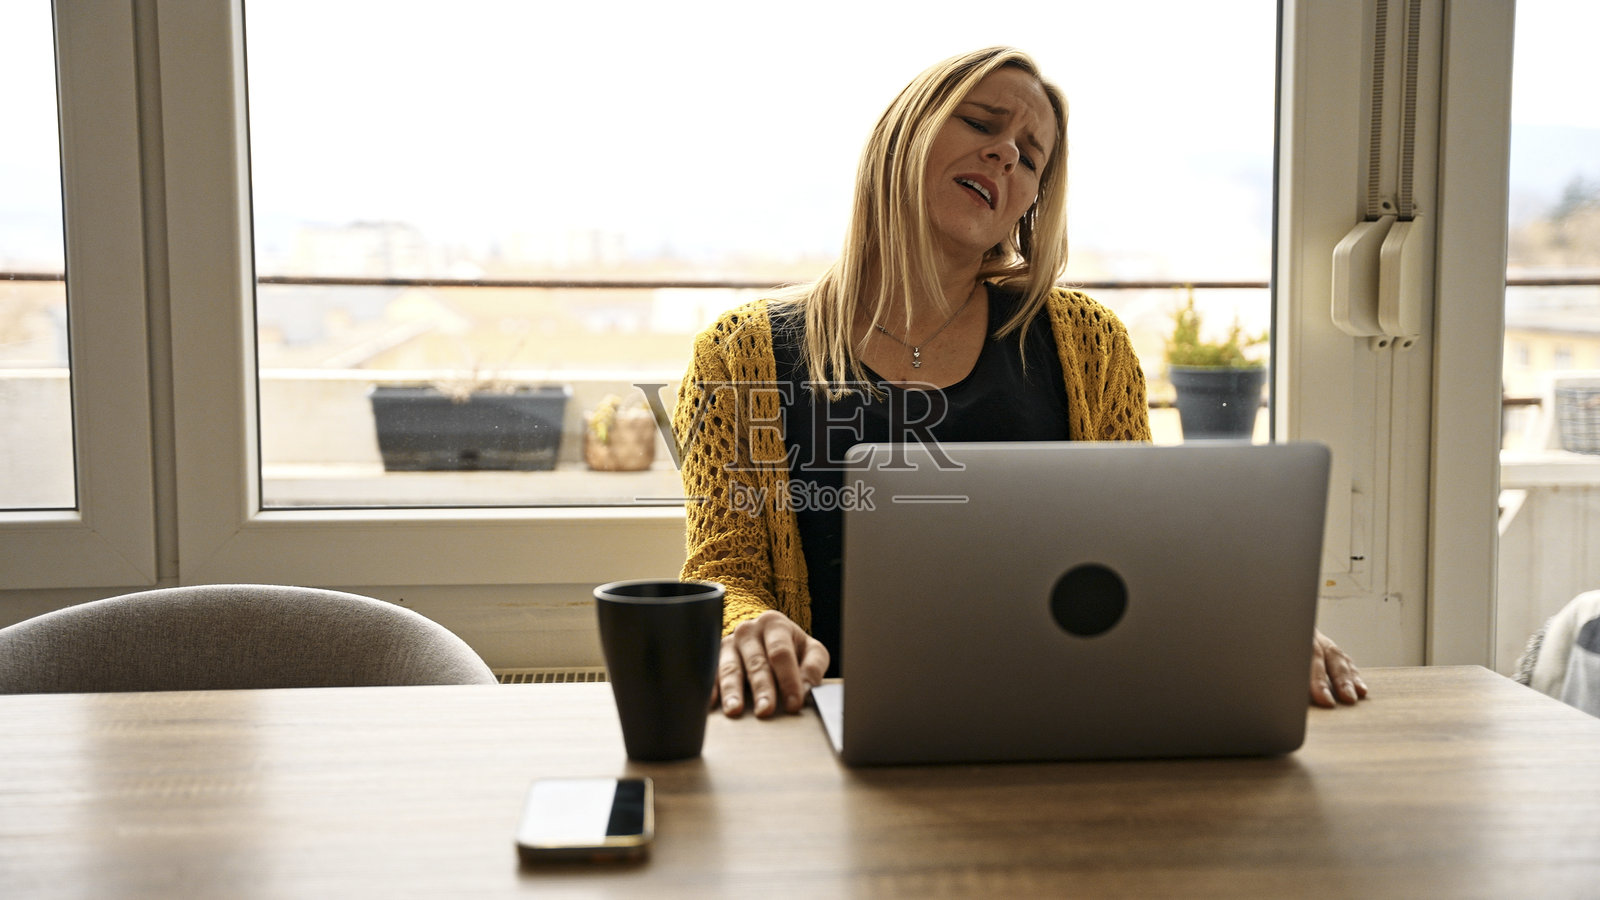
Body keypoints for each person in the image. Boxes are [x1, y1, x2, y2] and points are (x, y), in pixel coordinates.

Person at [672, 47, 1367, 720]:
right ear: (901, 136)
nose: (1006, 152)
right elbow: (722, 568)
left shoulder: (1089, 345)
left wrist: (1249, 626)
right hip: (821, 744)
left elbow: (1143, 554)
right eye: (980, 123)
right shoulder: (738, 353)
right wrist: (746, 623)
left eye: (1030, 156)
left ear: (1028, 202)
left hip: (1055, 728)